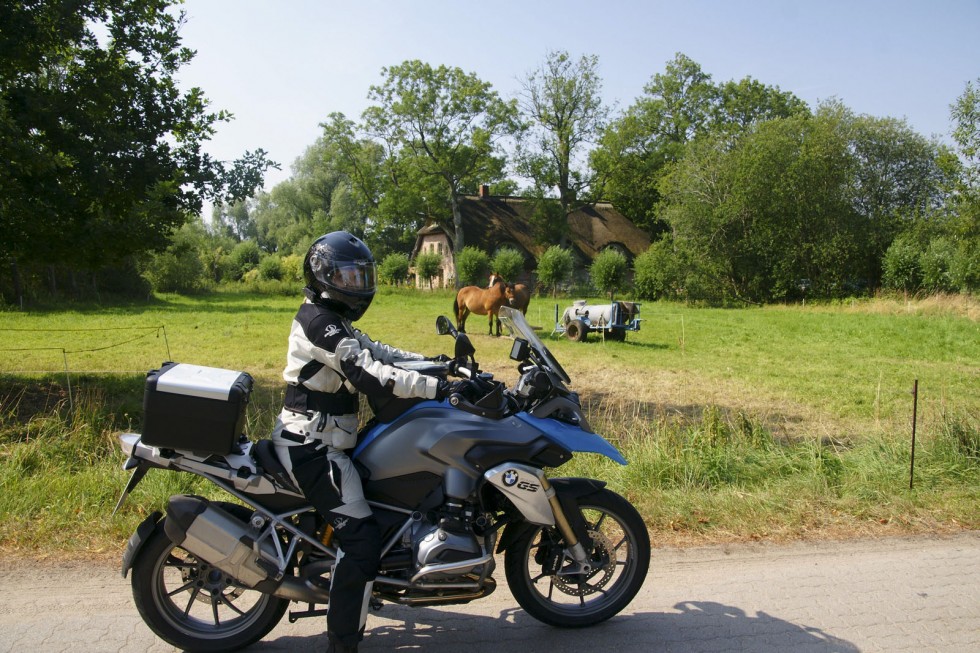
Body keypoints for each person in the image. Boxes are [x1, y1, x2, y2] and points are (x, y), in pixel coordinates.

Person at [271, 231, 460, 653]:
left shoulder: (332, 320)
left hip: (329, 440)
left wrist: (442, 367)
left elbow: (380, 352)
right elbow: (369, 373)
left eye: (361, 276)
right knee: (360, 544)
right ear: (323, 276)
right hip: (312, 448)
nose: (357, 285)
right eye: (348, 277)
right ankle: (342, 644)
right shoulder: (318, 323)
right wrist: (437, 390)